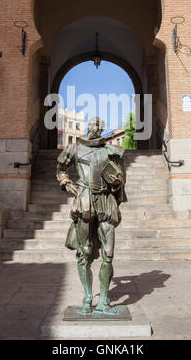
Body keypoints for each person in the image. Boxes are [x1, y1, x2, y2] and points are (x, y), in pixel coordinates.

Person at [56, 116, 127, 314]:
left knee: (109, 254)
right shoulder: (75, 149)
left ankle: (103, 299)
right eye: (92, 124)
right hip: (85, 199)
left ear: (102, 129)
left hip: (105, 201)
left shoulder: (110, 151)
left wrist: (117, 181)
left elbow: (121, 181)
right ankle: (88, 297)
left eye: (98, 125)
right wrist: (68, 185)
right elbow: (60, 169)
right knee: (84, 252)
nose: (95, 127)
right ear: (87, 126)